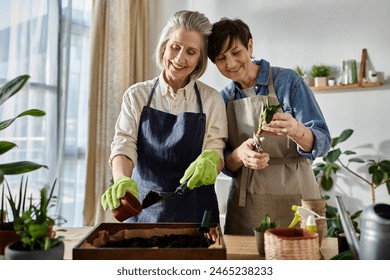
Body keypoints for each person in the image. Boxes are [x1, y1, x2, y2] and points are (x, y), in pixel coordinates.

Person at [100, 10, 228, 224]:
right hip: (144, 210)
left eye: (191, 51)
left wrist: (212, 160)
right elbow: (124, 144)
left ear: (199, 59)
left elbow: (215, 148)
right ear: (164, 47)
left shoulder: (211, 100)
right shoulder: (136, 95)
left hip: (196, 212)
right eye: (175, 47)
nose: (180, 58)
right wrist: (121, 178)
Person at [207, 17, 331, 235]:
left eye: (236, 53)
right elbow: (223, 160)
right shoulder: (223, 99)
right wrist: (239, 155)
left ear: (250, 46)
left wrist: (297, 130)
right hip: (248, 203)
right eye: (221, 58)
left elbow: (322, 142)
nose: (231, 64)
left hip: (298, 197)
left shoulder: (288, 82)